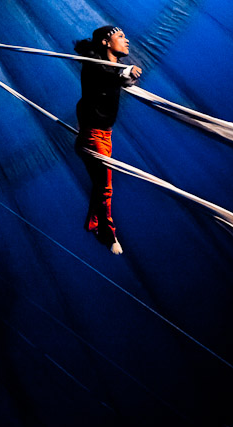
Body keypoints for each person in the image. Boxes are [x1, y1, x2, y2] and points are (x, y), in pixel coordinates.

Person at [74, 26, 142, 255]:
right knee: (105, 187)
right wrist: (124, 73)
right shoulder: (93, 60)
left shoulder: (112, 69)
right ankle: (108, 232)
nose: (127, 40)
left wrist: (127, 77)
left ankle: (94, 224)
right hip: (93, 136)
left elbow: (114, 78)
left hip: (104, 135)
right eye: (120, 36)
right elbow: (103, 73)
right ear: (105, 42)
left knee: (101, 186)